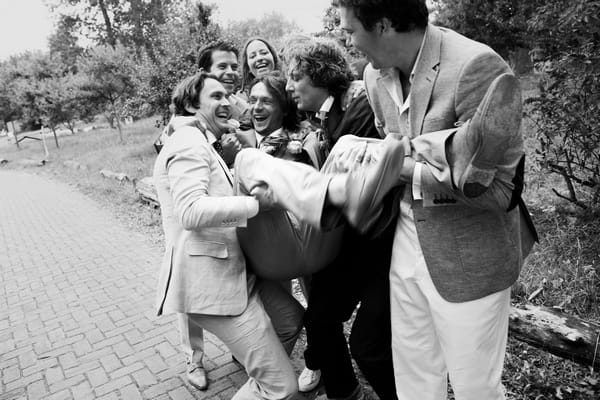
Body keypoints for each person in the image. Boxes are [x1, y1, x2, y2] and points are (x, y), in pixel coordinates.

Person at [331, 0, 537, 399]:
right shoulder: (374, 76)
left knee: (474, 387)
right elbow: (389, 142)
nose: (349, 42)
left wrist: (399, 167)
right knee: (413, 378)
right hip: (406, 244)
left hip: (469, 254)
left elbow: (499, 192)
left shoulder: (476, 66)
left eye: (350, 31)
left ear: (385, 24)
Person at [153, 72, 302, 399]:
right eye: (216, 97)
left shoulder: (205, 140)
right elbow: (191, 211)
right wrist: (255, 204)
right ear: (192, 105)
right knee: (285, 388)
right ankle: (270, 385)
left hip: (238, 272)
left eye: (227, 96)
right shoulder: (187, 141)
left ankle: (260, 383)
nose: (226, 103)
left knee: (290, 319)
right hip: (210, 281)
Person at [284, 38, 398, 400]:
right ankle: (346, 393)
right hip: (349, 245)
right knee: (318, 321)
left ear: (320, 75)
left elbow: (358, 190)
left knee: (369, 347)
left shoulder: (362, 106)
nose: (289, 87)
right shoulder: (325, 115)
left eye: (296, 76)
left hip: (381, 248)